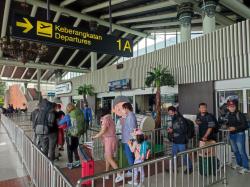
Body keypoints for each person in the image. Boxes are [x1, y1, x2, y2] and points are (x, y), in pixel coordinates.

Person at [92, 108, 124, 183]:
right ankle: (107, 173)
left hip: (109, 140)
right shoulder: (109, 117)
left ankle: (119, 174)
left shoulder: (105, 119)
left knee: (109, 158)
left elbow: (103, 130)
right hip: (111, 139)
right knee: (107, 157)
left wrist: (95, 136)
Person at [226, 100, 250, 174]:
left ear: (235, 107)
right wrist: (227, 126)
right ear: (228, 107)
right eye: (230, 106)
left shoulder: (240, 114)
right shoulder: (228, 114)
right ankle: (239, 164)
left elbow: (245, 125)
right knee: (235, 151)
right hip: (232, 134)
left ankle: (246, 168)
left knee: (241, 151)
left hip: (239, 134)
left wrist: (235, 128)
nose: (232, 108)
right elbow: (228, 123)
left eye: (233, 106)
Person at [167, 106, 193, 174]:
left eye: (171, 113)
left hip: (181, 141)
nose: (170, 115)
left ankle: (190, 167)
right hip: (175, 140)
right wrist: (171, 130)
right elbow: (175, 128)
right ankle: (174, 168)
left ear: (175, 112)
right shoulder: (174, 119)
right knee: (173, 155)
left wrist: (173, 130)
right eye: (169, 113)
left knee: (184, 155)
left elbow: (184, 129)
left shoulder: (180, 119)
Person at [58, 103, 83, 169]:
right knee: (75, 149)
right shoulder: (77, 114)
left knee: (69, 150)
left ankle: (70, 165)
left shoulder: (68, 116)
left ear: (68, 108)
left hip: (70, 135)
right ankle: (77, 162)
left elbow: (60, 123)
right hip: (77, 134)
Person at [122, 102, 137, 177]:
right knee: (130, 156)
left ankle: (132, 171)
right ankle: (133, 170)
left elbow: (132, 129)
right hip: (128, 139)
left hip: (129, 140)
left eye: (123, 108)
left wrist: (131, 140)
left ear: (126, 108)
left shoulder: (130, 116)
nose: (123, 110)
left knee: (129, 156)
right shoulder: (129, 116)